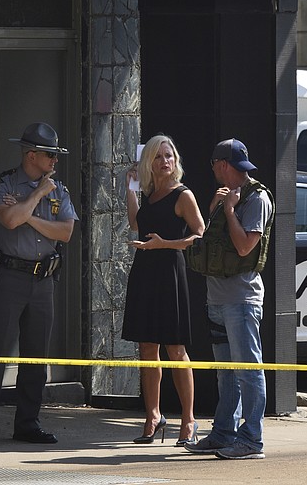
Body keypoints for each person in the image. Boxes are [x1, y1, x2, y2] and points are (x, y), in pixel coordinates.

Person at [0, 122, 77, 447]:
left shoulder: (61, 190)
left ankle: (28, 422)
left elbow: (66, 233)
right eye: (50, 156)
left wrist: (26, 212)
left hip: (44, 279)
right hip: (11, 276)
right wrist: (38, 195)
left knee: (36, 356)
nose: (55, 162)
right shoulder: (2, 184)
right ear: (31, 155)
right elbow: (9, 220)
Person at [185, 138, 274, 460]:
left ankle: (252, 441)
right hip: (218, 299)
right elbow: (211, 242)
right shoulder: (224, 197)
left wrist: (230, 210)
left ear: (221, 165)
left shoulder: (256, 198)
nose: (214, 171)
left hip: (241, 300)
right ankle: (224, 432)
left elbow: (244, 248)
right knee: (226, 371)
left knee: (248, 370)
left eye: (215, 166)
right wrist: (216, 209)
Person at [122, 134, 205, 446]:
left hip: (170, 269)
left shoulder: (183, 195)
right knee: (146, 348)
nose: (165, 161)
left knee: (176, 349)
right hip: (145, 271)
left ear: (176, 160)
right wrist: (130, 189)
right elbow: (135, 223)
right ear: (149, 162)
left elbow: (199, 235)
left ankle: (189, 420)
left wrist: (164, 244)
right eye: (158, 156)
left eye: (169, 155)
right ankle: (153, 415)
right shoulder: (149, 193)